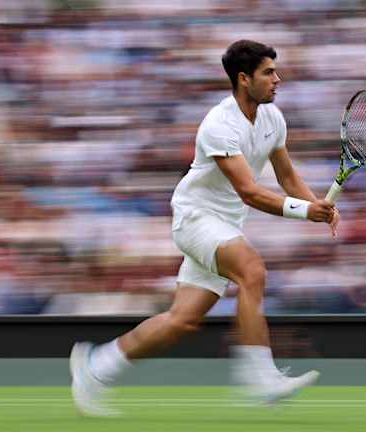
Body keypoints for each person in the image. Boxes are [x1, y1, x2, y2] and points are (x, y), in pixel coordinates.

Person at [70, 40, 339, 417]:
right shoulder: (218, 124)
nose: (278, 79)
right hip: (195, 218)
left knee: (182, 320)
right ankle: (261, 378)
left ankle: (97, 367)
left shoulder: (273, 118)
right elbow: (249, 191)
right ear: (244, 79)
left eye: (276, 71)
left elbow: (287, 175)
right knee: (252, 271)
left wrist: (316, 205)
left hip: (223, 224)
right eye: (268, 72)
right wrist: (303, 211)